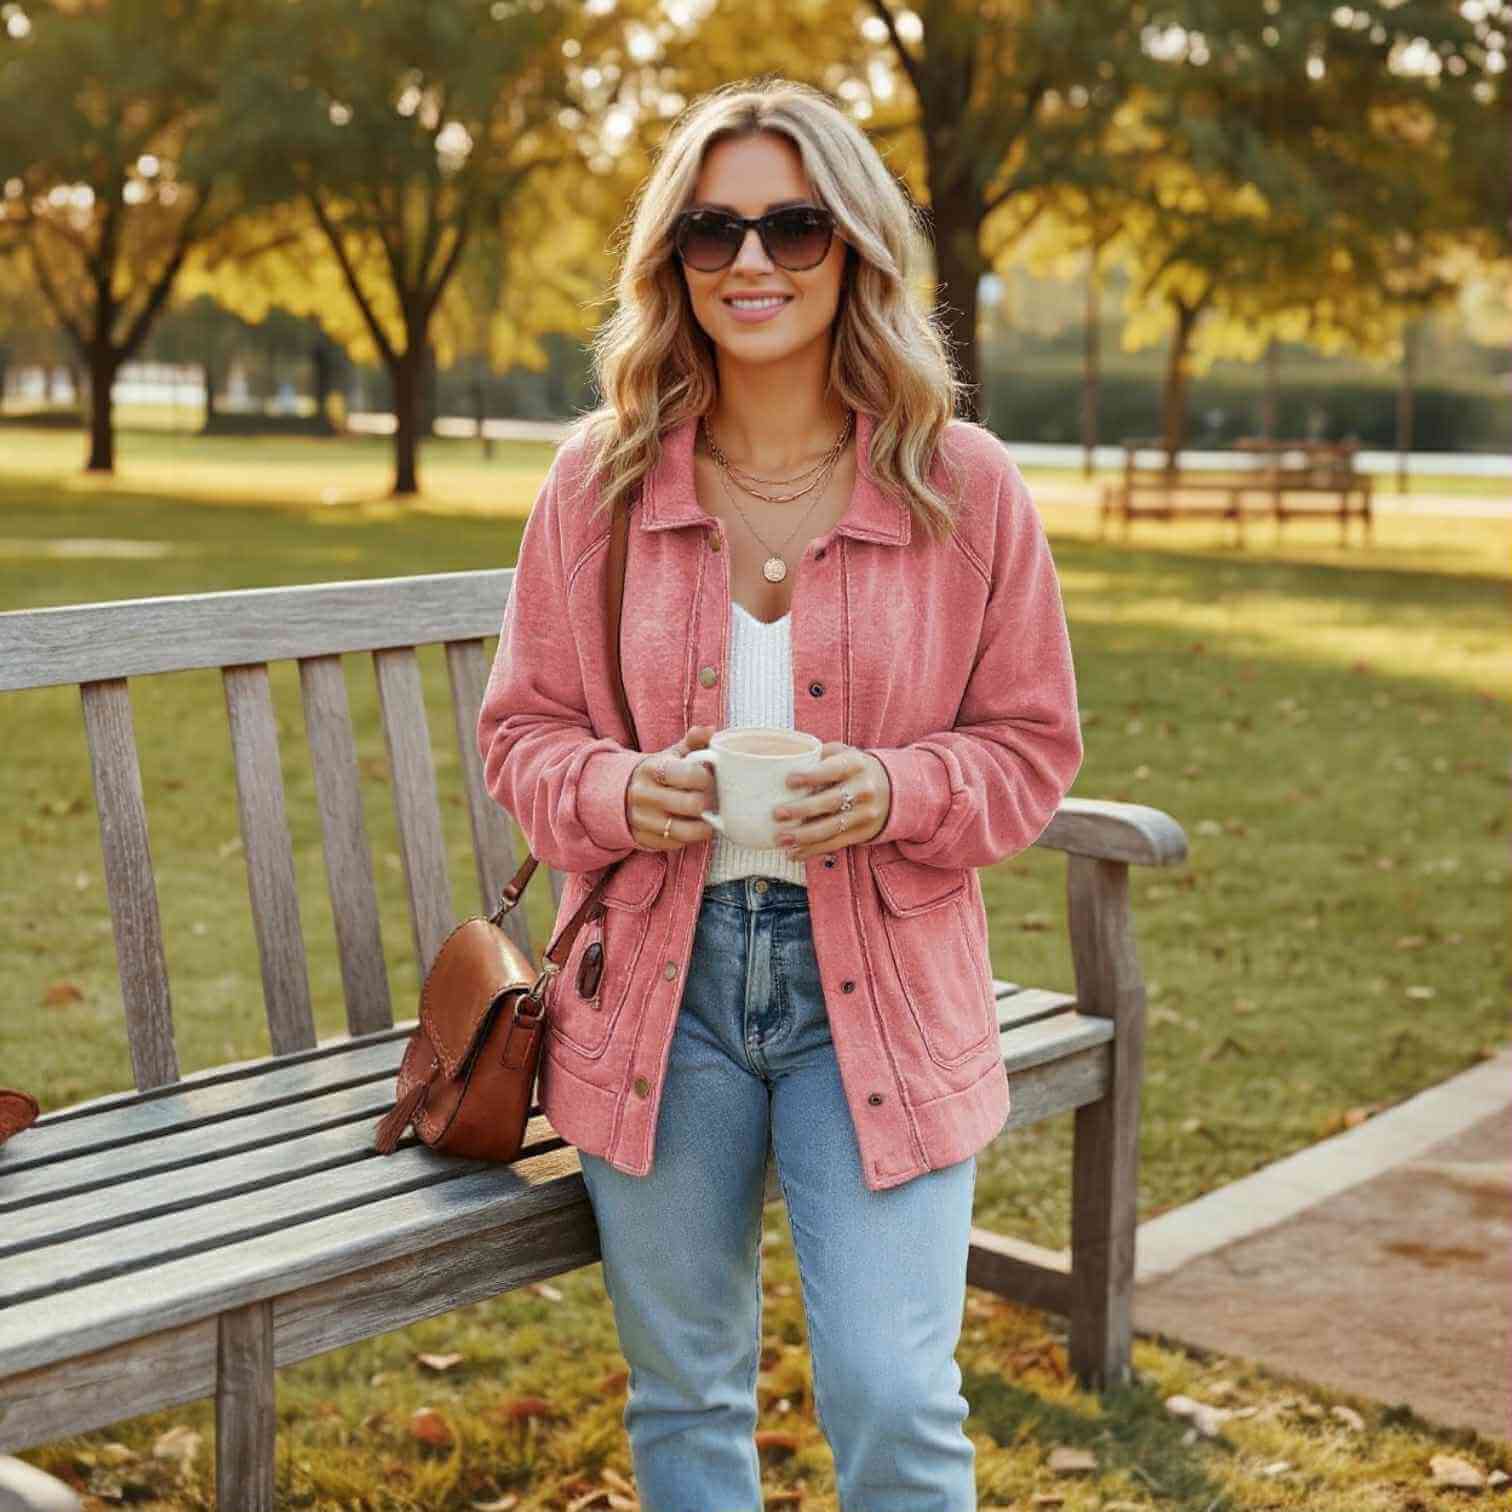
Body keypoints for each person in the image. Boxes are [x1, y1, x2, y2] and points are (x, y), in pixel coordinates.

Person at [476, 77, 1083, 1512]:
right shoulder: (597, 483)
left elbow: (1032, 748)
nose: (751, 264)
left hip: (881, 981)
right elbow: (522, 736)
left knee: (892, 1396)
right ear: (670, 262)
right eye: (712, 232)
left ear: (855, 249)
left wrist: (894, 787)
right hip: (656, 993)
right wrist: (626, 792)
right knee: (685, 1396)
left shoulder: (965, 490)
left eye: (793, 228)